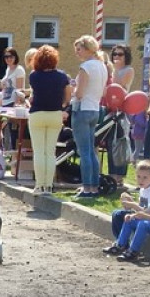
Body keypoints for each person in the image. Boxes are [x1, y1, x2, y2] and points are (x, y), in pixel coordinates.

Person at [103, 166, 150, 263]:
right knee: (130, 220)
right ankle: (120, 245)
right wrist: (133, 215)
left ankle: (133, 252)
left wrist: (145, 216)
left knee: (143, 223)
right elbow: (148, 210)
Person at [28, 44, 72, 194]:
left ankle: (39, 185)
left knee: (39, 152)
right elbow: (68, 95)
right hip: (55, 114)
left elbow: (34, 94)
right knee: (50, 151)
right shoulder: (62, 76)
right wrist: (64, 105)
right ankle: (49, 185)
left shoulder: (34, 76)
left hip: (37, 114)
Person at [71, 35, 108, 198]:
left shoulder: (86, 66)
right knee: (92, 150)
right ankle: (94, 186)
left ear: (87, 49)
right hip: (95, 109)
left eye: (79, 49)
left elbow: (79, 93)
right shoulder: (103, 66)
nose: (77, 53)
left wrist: (73, 90)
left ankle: (87, 187)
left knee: (84, 151)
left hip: (82, 109)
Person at [109, 159, 150, 240]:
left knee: (118, 215)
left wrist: (132, 204)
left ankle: (122, 243)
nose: (141, 180)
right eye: (138, 176)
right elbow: (142, 206)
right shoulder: (143, 189)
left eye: (145, 177)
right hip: (142, 214)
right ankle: (120, 241)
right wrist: (129, 201)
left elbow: (149, 211)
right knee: (116, 213)